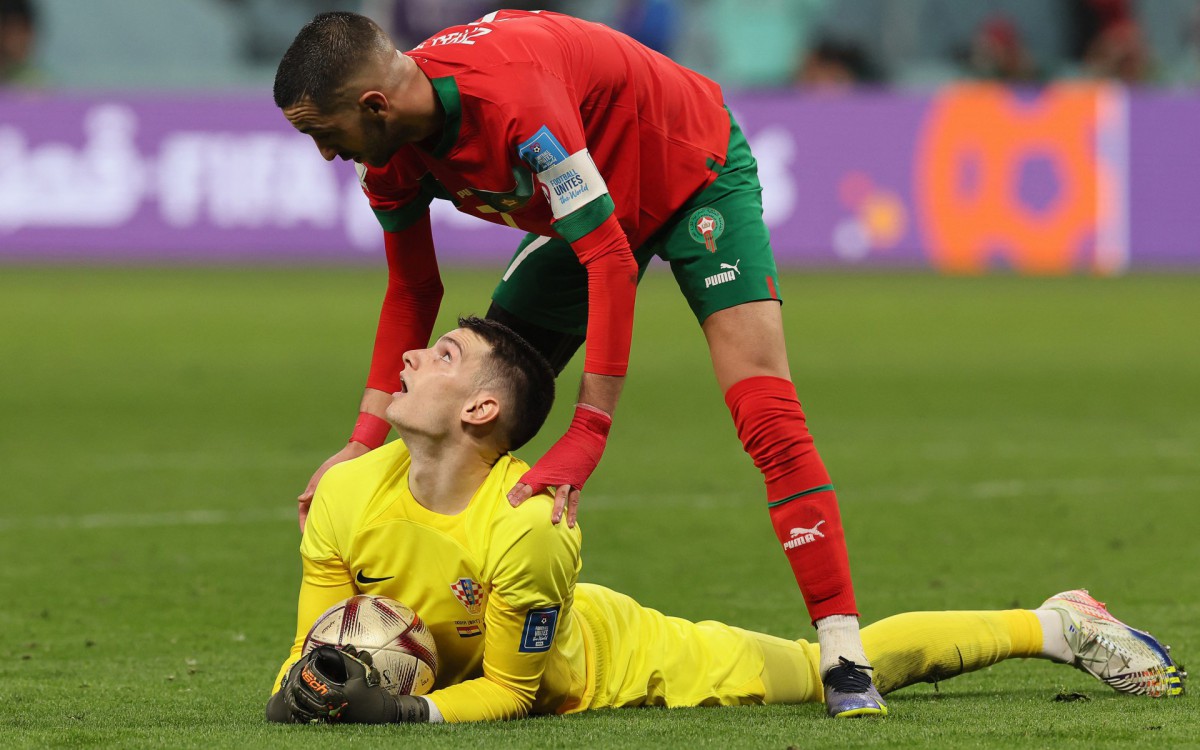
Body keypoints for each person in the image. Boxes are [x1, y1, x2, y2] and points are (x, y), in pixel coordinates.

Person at [273, 9, 886, 716]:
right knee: (477, 401)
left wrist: (587, 432)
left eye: (324, 134)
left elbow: (610, 259)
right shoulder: (391, 155)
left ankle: (843, 653)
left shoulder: (512, 105)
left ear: (374, 106)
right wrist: (362, 441)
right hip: (588, 211)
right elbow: (415, 289)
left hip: (690, 172)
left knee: (765, 412)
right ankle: (481, 639)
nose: (325, 154)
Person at [265, 317, 1184, 724]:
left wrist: (413, 713)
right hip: (483, 665)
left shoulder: (529, 526)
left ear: (479, 413)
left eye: (445, 355)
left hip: (614, 663)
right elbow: (310, 640)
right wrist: (300, 687)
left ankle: (1055, 625)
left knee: (823, 673)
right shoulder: (346, 492)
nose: (414, 354)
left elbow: (510, 694)